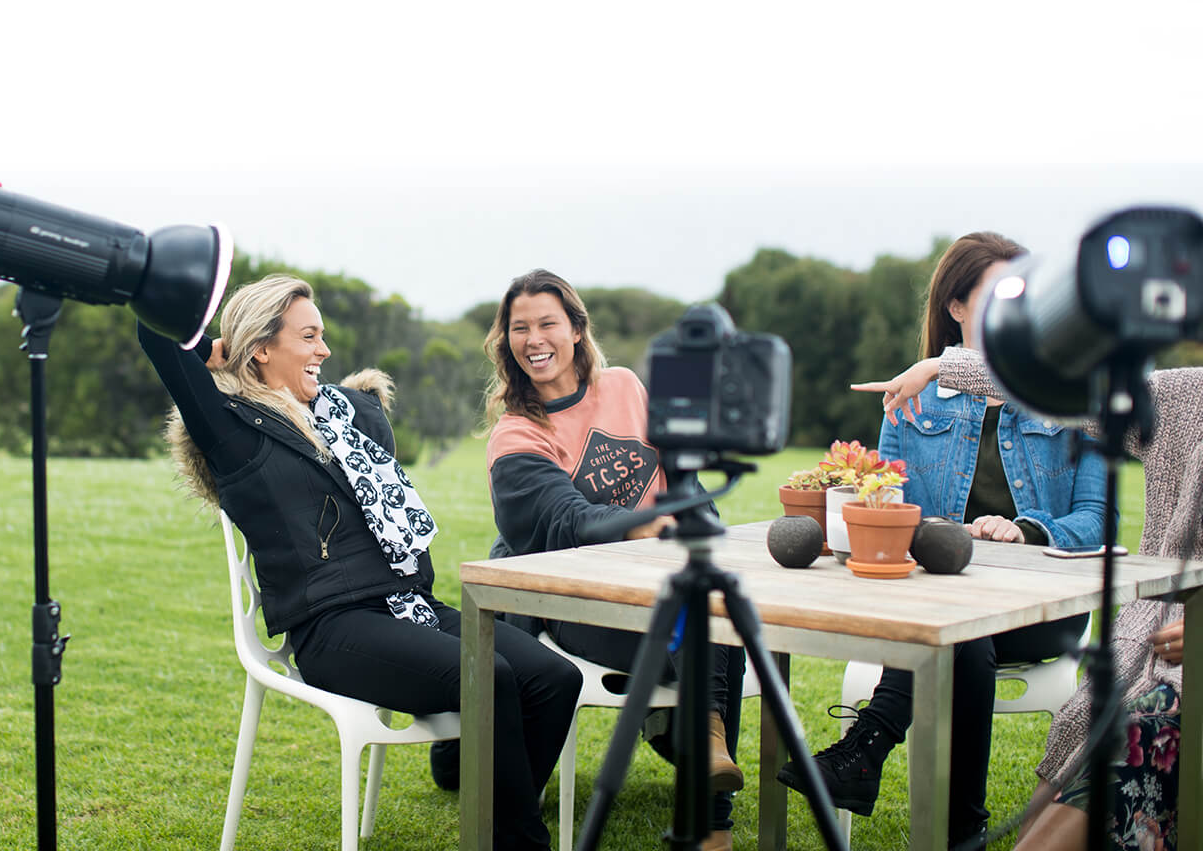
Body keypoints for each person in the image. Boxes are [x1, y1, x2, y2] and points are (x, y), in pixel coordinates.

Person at [138, 274, 582, 851]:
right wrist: (212, 352)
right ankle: (518, 841)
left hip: (409, 606)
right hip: (333, 628)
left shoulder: (339, 417)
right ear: (263, 347)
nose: (324, 350)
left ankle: (463, 772)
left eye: (322, 336)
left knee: (555, 677)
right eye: (309, 336)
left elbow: (373, 425)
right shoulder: (231, 430)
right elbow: (155, 333)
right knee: (488, 675)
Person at [778, 232, 1108, 846]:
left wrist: (1027, 528)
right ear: (955, 308)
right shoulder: (913, 393)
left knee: (965, 634)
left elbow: (1098, 516)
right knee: (963, 637)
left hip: (1041, 604)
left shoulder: (1066, 389)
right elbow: (893, 503)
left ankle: (863, 749)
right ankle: (962, 834)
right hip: (939, 599)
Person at [870, 345, 1200, 851]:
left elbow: (1093, 519)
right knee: (1081, 719)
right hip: (1152, 635)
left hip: (1177, 673)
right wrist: (941, 367)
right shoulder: (1186, 398)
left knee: (1145, 726)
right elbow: (1063, 391)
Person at [481, 268, 747, 851]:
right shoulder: (517, 434)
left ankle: (707, 778)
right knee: (707, 621)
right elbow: (565, 522)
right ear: (507, 342)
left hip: (664, 585)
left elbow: (683, 482)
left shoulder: (625, 387)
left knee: (716, 606)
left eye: (547, 323)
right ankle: (699, 764)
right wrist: (646, 525)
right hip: (582, 600)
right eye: (519, 328)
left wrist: (698, 527)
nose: (534, 339)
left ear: (576, 329)